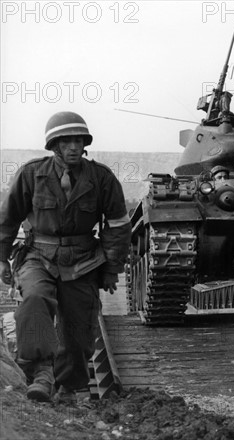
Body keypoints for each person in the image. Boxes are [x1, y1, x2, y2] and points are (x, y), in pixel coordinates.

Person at [0, 111, 132, 403]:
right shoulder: (31, 174)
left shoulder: (101, 178)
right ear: (54, 146)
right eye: (66, 141)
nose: (73, 146)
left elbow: (119, 226)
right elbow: (7, 219)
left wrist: (112, 268)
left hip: (83, 260)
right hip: (38, 255)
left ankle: (68, 388)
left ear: (85, 144)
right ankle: (42, 372)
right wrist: (1, 258)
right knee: (34, 301)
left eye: (78, 140)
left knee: (78, 329)